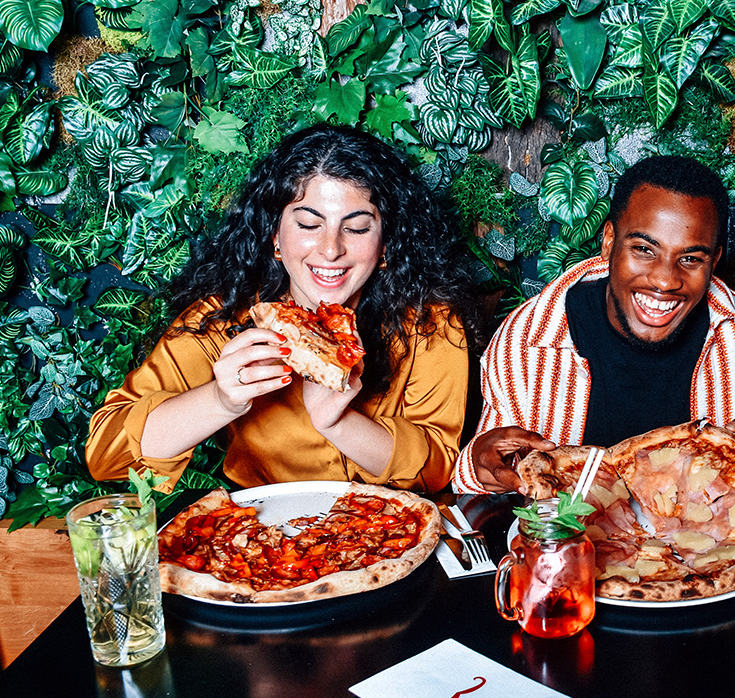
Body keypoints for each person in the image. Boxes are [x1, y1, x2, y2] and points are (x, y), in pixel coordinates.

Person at [86, 124, 477, 492]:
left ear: (386, 245)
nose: (330, 249)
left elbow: (437, 471)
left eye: (357, 228)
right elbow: (105, 453)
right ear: (275, 236)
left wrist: (338, 423)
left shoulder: (431, 323)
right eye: (308, 224)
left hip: (393, 531)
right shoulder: (226, 318)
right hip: (262, 536)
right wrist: (221, 399)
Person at [452, 155, 735, 494]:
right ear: (609, 242)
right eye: (643, 249)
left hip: (703, 551)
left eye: (690, 258)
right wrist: (479, 466)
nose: (665, 280)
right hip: (574, 550)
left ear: (714, 261)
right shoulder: (526, 339)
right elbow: (478, 481)